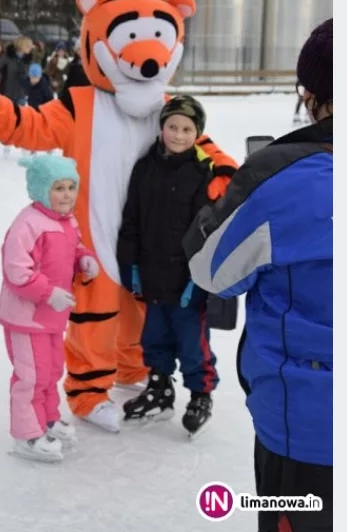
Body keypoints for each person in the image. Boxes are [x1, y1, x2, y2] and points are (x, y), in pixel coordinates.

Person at [0, 0, 237, 433]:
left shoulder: (168, 109)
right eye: (131, 40)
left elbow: (205, 149)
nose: (147, 56)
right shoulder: (80, 104)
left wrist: (226, 174)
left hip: (151, 238)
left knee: (142, 310)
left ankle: (133, 370)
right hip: (93, 233)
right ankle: (89, 391)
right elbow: (28, 127)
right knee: (94, 317)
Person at [183, 19, 333, 531]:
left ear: (312, 95)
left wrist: (231, 197)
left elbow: (211, 269)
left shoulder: (283, 178)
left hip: (310, 426)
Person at [117, 95, 219, 437]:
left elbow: (208, 232)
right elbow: (131, 219)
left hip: (187, 280)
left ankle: (201, 395)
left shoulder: (202, 172)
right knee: (154, 337)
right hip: (151, 273)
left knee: (193, 343)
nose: (178, 135)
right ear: (162, 128)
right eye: (172, 127)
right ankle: (159, 387)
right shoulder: (145, 167)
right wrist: (130, 265)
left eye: (186, 129)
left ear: (197, 133)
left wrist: (199, 279)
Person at [0, 154, 100, 462]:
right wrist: (47, 293)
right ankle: (26, 435)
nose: (67, 194)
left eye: (71, 187)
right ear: (42, 189)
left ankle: (47, 419)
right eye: (58, 188)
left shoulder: (67, 222)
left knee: (52, 370)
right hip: (26, 317)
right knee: (31, 375)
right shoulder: (27, 224)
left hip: (53, 317)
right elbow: (17, 270)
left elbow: (75, 247)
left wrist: (84, 260)